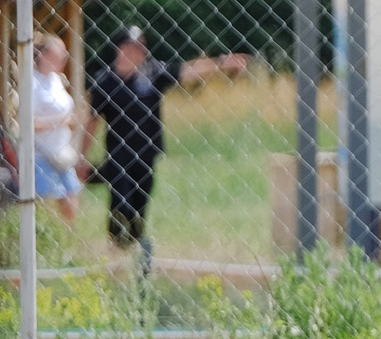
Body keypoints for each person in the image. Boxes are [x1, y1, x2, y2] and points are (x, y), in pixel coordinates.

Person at [84, 26, 250, 248]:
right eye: (132, 47)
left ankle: (134, 247)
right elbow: (92, 121)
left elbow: (187, 71)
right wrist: (82, 155)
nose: (138, 51)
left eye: (141, 47)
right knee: (121, 202)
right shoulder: (105, 81)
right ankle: (116, 245)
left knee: (141, 202)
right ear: (119, 49)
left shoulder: (152, 73)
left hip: (147, 152)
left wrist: (221, 63)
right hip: (118, 154)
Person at [23, 34, 84, 224]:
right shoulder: (31, 82)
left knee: (71, 196)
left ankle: (66, 238)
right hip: (41, 154)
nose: (65, 56)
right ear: (44, 54)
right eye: (60, 52)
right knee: (46, 203)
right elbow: (28, 123)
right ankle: (45, 238)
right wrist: (61, 120)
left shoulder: (56, 80)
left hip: (61, 152)